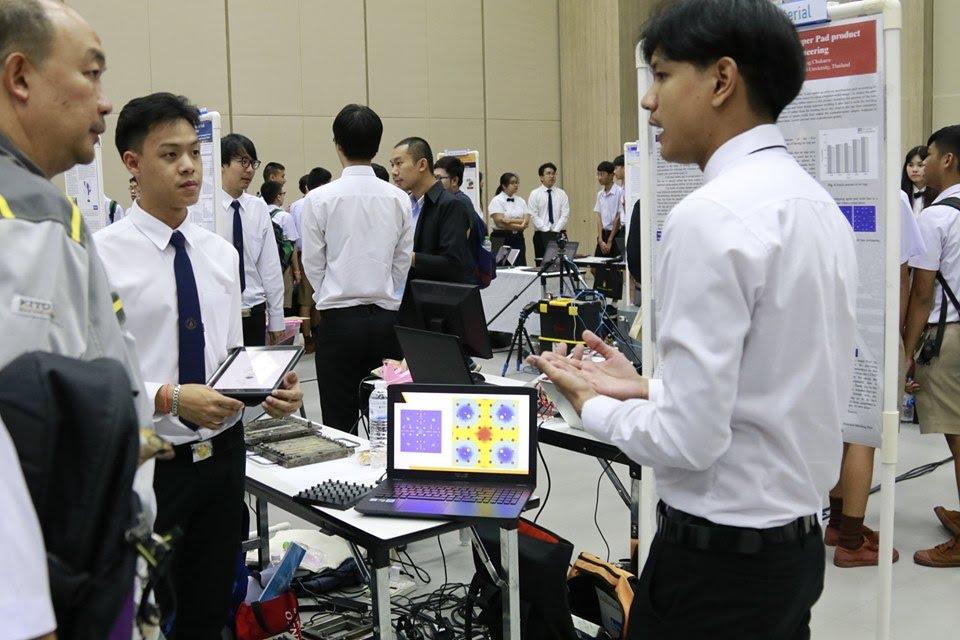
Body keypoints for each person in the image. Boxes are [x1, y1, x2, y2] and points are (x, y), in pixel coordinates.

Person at [530, 1, 857, 636]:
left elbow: (688, 440)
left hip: (716, 567)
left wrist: (590, 404)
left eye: (662, 75)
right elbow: (770, 384)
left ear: (721, 80)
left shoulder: (710, 216)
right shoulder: (816, 206)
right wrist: (649, 386)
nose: (649, 101)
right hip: (790, 553)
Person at [95, 92, 304, 637]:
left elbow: (229, 361)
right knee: (143, 614)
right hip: (149, 464)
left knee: (210, 612)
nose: (189, 166)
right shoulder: (99, 258)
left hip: (222, 461)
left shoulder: (219, 255)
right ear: (133, 163)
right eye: (170, 155)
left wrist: (270, 388)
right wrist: (169, 397)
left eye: (194, 152)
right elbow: (93, 376)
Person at [825, 190, 925, 568]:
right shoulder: (888, 195)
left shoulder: (818, 190)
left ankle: (837, 524)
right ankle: (851, 541)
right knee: (864, 434)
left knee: (841, 426)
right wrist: (896, 338)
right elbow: (901, 276)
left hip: (827, 327)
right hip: (871, 325)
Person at [301, 104, 412, 432]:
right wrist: (384, 288)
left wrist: (330, 290)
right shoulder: (398, 198)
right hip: (386, 322)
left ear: (337, 144)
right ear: (377, 147)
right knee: (389, 422)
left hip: (338, 322)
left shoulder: (318, 199)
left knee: (339, 421)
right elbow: (402, 260)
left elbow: (313, 263)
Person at [903, 124, 960, 568]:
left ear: (948, 160)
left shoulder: (936, 217)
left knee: (959, 437)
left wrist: (907, 351)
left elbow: (922, 294)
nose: (924, 165)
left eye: (931, 155)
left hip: (949, 335)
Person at [219, 133, 285, 346]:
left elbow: (270, 266)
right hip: (218, 313)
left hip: (253, 312)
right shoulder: (205, 209)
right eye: (243, 162)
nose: (249, 170)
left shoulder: (258, 208)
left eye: (253, 163)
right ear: (222, 164)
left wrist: (276, 318)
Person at [390, 136, 476, 284]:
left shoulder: (451, 205)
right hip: (401, 293)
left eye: (399, 163)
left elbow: (453, 263)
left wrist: (405, 257)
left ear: (422, 165)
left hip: (432, 294)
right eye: (392, 165)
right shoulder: (404, 204)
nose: (394, 171)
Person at [293, 166, 332, 351]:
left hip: (302, 255)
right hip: (318, 256)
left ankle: (310, 338)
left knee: (308, 301)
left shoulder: (296, 205)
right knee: (310, 301)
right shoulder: (322, 202)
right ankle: (312, 338)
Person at [436, 155, 488, 280]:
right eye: (434, 177)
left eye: (439, 178)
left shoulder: (459, 202)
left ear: (454, 180)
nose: (435, 182)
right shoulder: (448, 201)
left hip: (461, 274)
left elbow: (461, 240)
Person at [261, 180, 301, 315]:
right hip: (283, 267)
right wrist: (296, 271)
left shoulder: (259, 213)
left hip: (263, 265)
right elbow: (292, 246)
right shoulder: (285, 216)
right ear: (278, 196)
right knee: (283, 304)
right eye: (283, 193)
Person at [528, 162, 570, 260]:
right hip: (541, 234)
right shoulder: (535, 194)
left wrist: (555, 230)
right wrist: (546, 230)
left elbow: (565, 214)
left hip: (559, 233)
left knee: (562, 263)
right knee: (542, 263)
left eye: (553, 173)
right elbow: (534, 215)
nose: (552, 176)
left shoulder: (562, 193)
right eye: (548, 173)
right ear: (541, 177)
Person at [488, 172, 530, 266]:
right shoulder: (497, 200)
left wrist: (510, 220)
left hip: (518, 238)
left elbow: (526, 221)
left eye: (517, 182)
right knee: (499, 267)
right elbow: (500, 223)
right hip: (500, 237)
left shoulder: (521, 201)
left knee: (519, 266)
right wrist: (520, 225)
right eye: (512, 183)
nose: (516, 185)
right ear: (504, 186)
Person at [593, 160, 623, 258]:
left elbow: (618, 217)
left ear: (611, 175)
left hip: (615, 234)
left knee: (614, 265)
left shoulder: (619, 192)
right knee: (596, 265)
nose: (599, 177)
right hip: (603, 235)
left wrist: (610, 240)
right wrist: (600, 239)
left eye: (602, 174)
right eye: (598, 174)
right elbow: (599, 217)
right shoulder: (600, 194)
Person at [902, 145, 937, 217]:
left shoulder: (939, 194)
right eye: (910, 165)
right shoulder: (900, 194)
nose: (914, 170)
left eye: (920, 165)